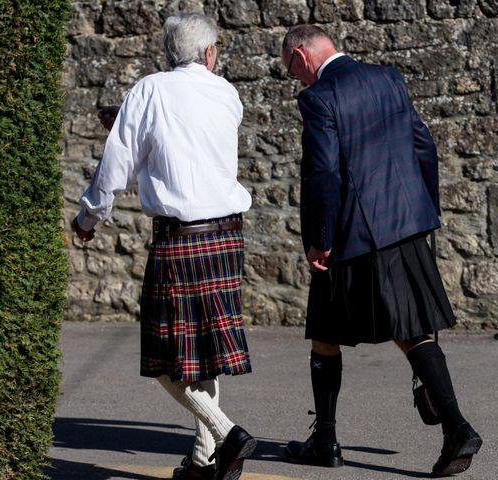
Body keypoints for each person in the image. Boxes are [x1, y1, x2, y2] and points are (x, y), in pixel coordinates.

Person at [279, 24, 482, 476]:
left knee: (328, 333)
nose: (295, 81)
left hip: (353, 234)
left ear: (300, 57)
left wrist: (320, 239)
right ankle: (451, 428)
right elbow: (424, 147)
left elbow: (324, 174)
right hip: (406, 224)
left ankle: (332, 441)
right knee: (409, 329)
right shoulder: (388, 77)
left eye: (290, 71)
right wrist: (423, 212)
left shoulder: (317, 98)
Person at [72, 12, 256, 480]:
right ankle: (203, 460)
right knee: (203, 354)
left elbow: (117, 166)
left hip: (180, 241)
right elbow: (190, 143)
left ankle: (226, 431)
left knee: (165, 360)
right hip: (227, 237)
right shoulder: (227, 94)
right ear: (210, 53)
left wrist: (89, 216)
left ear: (168, 52)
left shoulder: (149, 90)